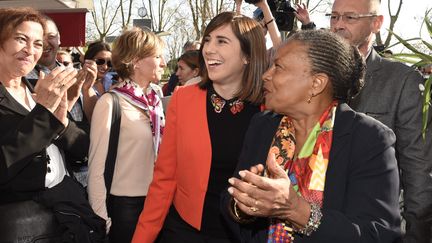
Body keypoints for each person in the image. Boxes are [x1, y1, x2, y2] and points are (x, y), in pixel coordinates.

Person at [223, 29, 401, 242]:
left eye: (277, 67)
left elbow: (378, 235)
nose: (265, 75)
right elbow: (230, 201)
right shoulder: (262, 125)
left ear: (317, 84)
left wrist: (296, 209)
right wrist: (245, 204)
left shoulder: (369, 139)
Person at [132, 11, 267, 243]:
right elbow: (164, 178)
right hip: (185, 230)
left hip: (246, 235)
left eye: (221, 41)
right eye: (207, 39)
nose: (208, 49)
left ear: (247, 55)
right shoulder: (184, 99)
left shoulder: (269, 107)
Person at [328, 0, 432, 241]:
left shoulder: (401, 81)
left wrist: (415, 237)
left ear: (376, 23)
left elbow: (418, 171)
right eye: (334, 17)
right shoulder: (311, 75)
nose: (338, 25)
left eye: (350, 17)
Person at [0, 7, 105, 242]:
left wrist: (62, 114)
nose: (31, 50)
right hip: (21, 225)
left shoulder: (36, 88)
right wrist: (45, 114)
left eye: (38, 43)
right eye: (21, 39)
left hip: (67, 213)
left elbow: (82, 151)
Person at [87, 27, 166, 243]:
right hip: (125, 210)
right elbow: (97, 167)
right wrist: (101, 217)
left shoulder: (155, 103)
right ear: (136, 60)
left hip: (157, 204)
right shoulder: (110, 102)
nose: (164, 63)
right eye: (158, 56)